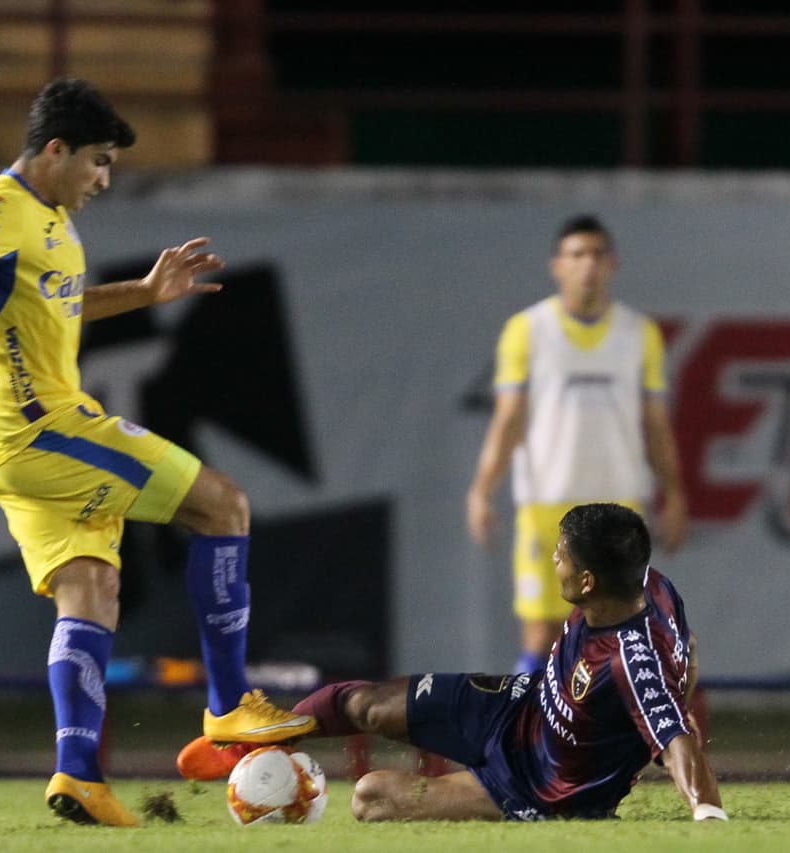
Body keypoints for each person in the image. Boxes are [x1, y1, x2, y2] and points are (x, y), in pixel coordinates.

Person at [0, 78, 315, 827]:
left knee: (90, 588)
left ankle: (79, 776)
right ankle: (227, 709)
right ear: (54, 150)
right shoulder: (3, 208)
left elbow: (60, 304)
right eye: (96, 161)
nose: (103, 179)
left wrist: (146, 292)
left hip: (8, 446)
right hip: (39, 429)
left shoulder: (50, 221)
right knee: (223, 504)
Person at [293, 502, 724, 822]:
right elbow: (691, 645)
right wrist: (675, 694)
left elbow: (677, 742)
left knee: (370, 797)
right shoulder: (649, 584)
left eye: (561, 555)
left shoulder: (631, 659)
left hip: (538, 786)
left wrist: (707, 814)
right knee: (365, 703)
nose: (554, 561)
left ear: (588, 581)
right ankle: (251, 744)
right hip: (520, 707)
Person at [466, 215, 688, 675]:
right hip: (547, 505)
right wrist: (482, 489)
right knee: (543, 637)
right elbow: (509, 418)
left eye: (597, 254)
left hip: (619, 506)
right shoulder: (528, 330)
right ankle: (529, 740)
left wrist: (676, 493)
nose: (588, 265)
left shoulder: (638, 333)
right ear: (557, 265)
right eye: (577, 255)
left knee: (624, 631)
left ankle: (615, 741)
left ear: (614, 264)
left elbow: (655, 423)